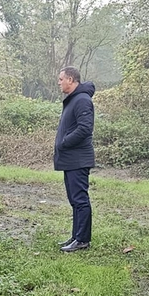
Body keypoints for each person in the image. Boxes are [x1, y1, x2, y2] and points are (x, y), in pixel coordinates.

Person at [54, 66, 95, 253]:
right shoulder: (73, 99)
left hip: (78, 159)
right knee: (74, 200)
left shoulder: (82, 100)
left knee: (80, 200)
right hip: (71, 160)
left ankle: (83, 240)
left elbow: (85, 128)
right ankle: (76, 236)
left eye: (61, 79)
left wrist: (64, 142)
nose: (59, 82)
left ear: (70, 79)